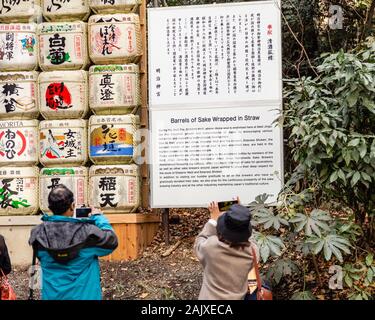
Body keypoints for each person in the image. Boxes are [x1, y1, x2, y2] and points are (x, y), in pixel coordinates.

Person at [29, 184, 118, 300]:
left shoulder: (38, 234)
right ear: (72, 206)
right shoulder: (88, 233)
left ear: (50, 208)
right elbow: (112, 241)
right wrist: (98, 217)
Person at [194, 200, 258, 300]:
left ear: (222, 228)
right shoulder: (253, 252)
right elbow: (249, 240)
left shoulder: (211, 247)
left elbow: (199, 242)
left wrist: (213, 220)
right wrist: (240, 217)